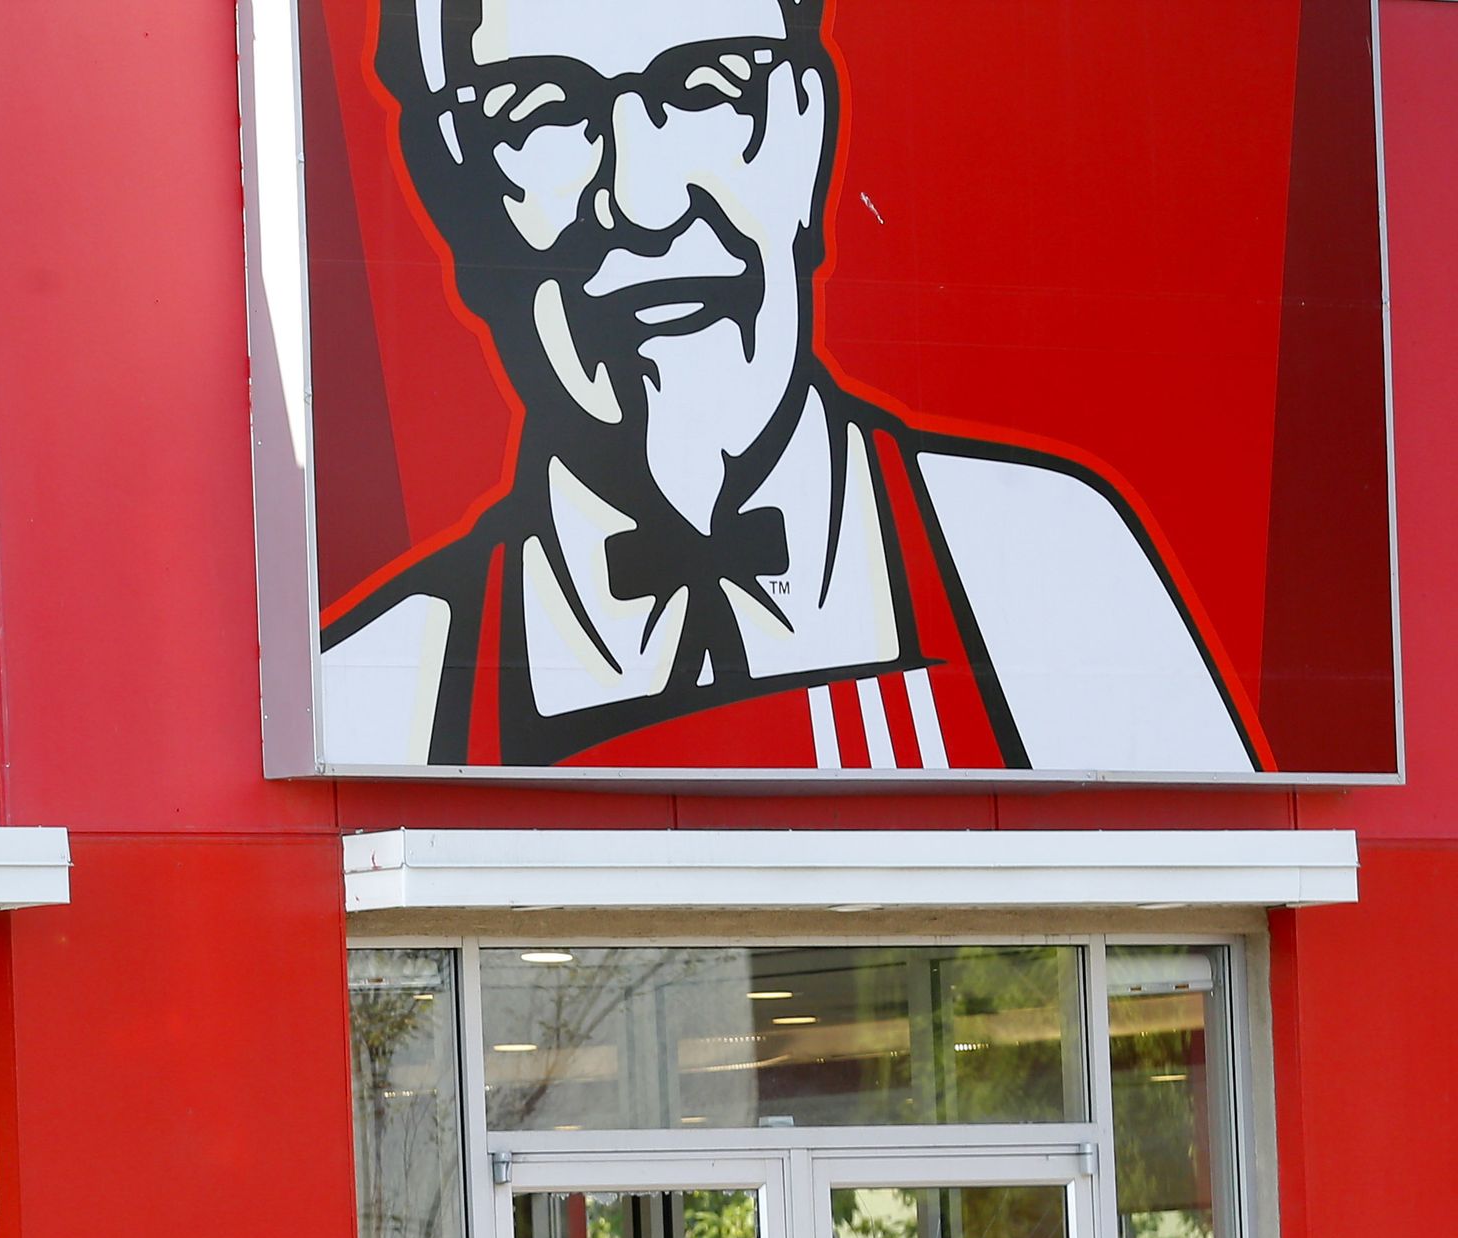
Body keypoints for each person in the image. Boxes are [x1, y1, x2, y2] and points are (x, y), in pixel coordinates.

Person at [321, 0, 1260, 777]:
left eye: (707, 90)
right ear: (454, 187)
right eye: (543, 113)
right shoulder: (382, 689)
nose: (646, 205)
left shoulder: (1045, 566)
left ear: (807, 135)